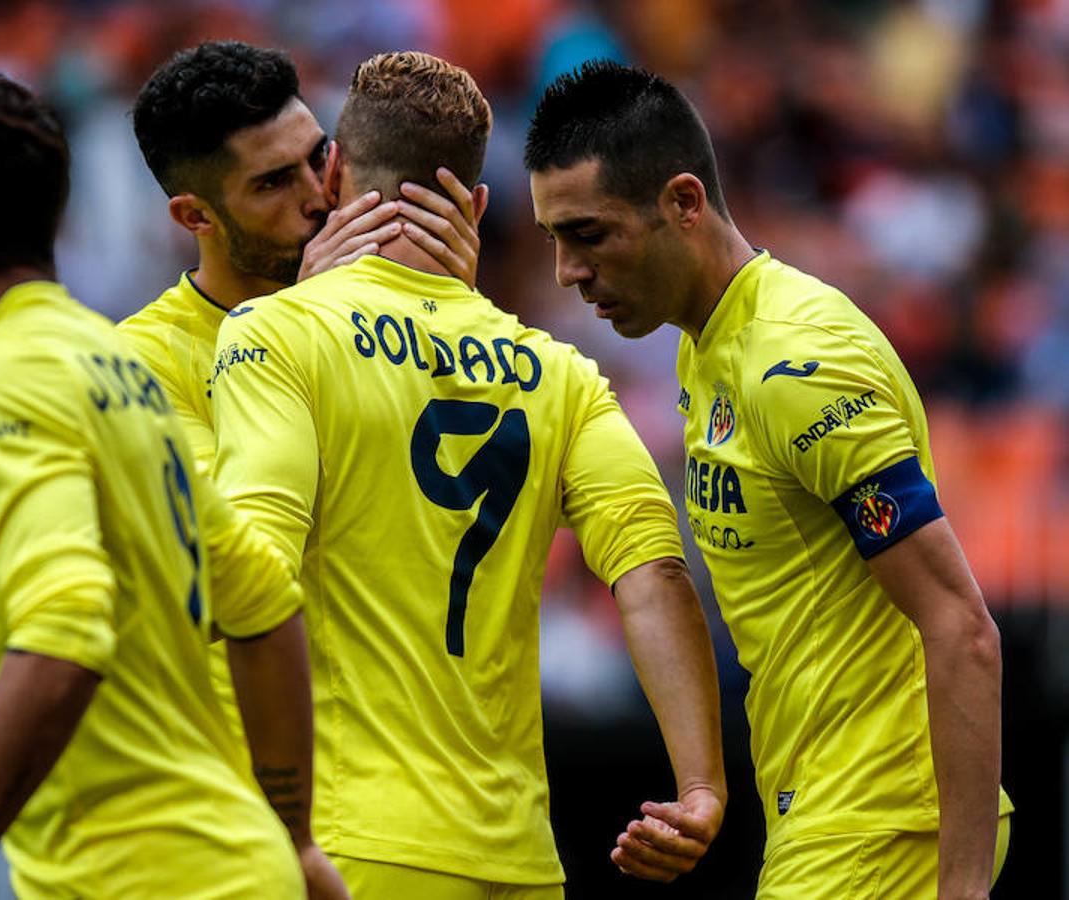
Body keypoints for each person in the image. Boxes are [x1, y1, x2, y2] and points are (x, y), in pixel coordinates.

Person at [211, 51, 726, 898]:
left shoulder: (277, 335)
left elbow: (253, 571)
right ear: (478, 205)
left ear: (333, 172)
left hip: (346, 847)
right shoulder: (559, 373)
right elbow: (655, 571)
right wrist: (701, 786)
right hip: (514, 861)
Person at [526, 61, 1013, 899]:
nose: (569, 271)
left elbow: (962, 628)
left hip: (882, 820)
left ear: (684, 202)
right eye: (555, 240)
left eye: (590, 234)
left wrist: (960, 890)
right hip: (824, 810)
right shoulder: (706, 344)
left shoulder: (796, 362)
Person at [0, 69, 345, 900]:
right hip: (240, 863)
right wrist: (293, 840)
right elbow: (263, 601)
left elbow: (63, 627)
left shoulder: (4, 383)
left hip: (133, 876)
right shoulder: (120, 366)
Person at [118, 39, 482, 748]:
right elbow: (235, 568)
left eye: (320, 157)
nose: (318, 197)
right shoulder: (140, 366)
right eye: (272, 183)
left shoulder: (396, 307)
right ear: (195, 217)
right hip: (260, 774)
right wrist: (305, 328)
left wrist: (455, 320)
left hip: (416, 752)